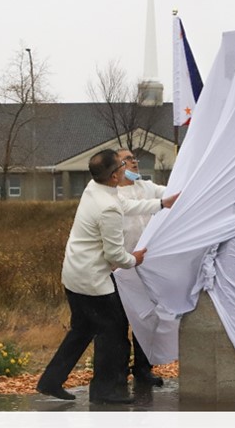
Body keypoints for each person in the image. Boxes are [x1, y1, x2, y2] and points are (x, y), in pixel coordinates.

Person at [36, 149, 178, 404]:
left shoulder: (95, 188)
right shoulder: (108, 208)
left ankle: (51, 380)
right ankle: (105, 391)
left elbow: (127, 205)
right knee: (113, 332)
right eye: (122, 166)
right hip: (92, 280)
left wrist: (160, 204)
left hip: (74, 273)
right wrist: (135, 259)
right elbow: (115, 256)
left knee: (82, 329)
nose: (127, 167)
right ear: (114, 176)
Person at [114, 148, 167, 387]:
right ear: (116, 167)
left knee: (145, 319)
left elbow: (169, 194)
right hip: (118, 266)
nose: (134, 162)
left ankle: (143, 369)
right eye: (128, 160)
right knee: (118, 321)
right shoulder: (112, 193)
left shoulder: (146, 187)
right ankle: (118, 371)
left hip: (145, 265)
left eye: (135, 159)